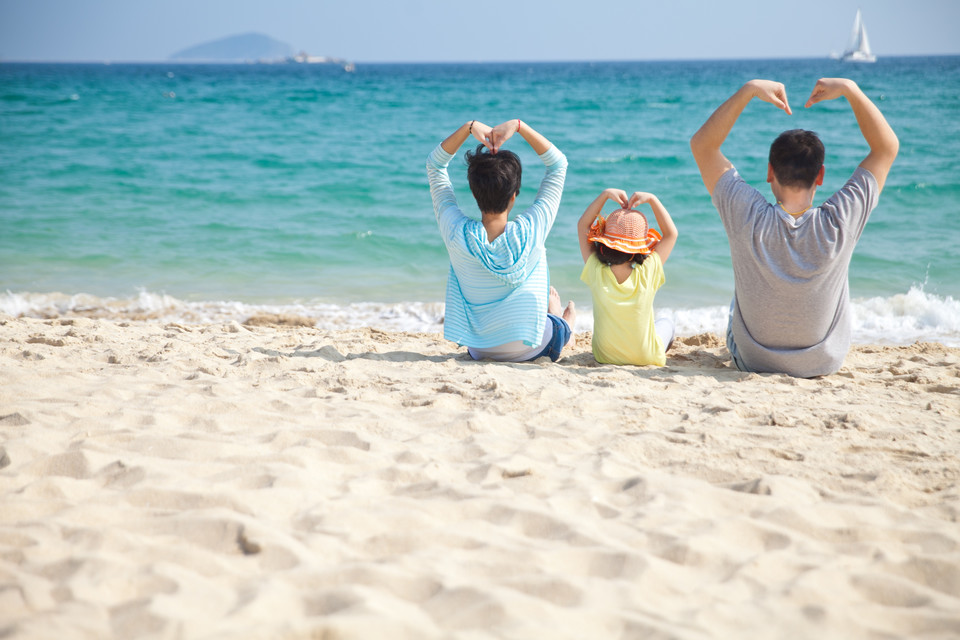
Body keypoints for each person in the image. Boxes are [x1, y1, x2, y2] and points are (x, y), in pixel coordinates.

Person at [690, 78, 898, 378]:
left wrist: (748, 90)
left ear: (770, 172)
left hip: (753, 360)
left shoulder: (746, 214)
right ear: (821, 175)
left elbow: (702, 145)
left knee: (739, 300)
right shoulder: (840, 220)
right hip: (823, 363)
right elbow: (886, 147)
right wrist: (851, 90)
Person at [427, 118, 575, 362]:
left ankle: (555, 315)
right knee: (557, 327)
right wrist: (518, 126)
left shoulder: (456, 233)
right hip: (534, 348)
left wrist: (469, 127)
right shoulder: (531, 230)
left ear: (474, 193)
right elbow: (558, 165)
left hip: (479, 349)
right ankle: (562, 320)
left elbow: (435, 166)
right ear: (514, 196)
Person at [577, 189, 678, 366]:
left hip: (604, 356)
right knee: (666, 322)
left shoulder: (595, 270)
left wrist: (605, 195)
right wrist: (653, 199)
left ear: (604, 245)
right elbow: (671, 234)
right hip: (645, 357)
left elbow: (583, 226)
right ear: (637, 251)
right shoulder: (648, 271)